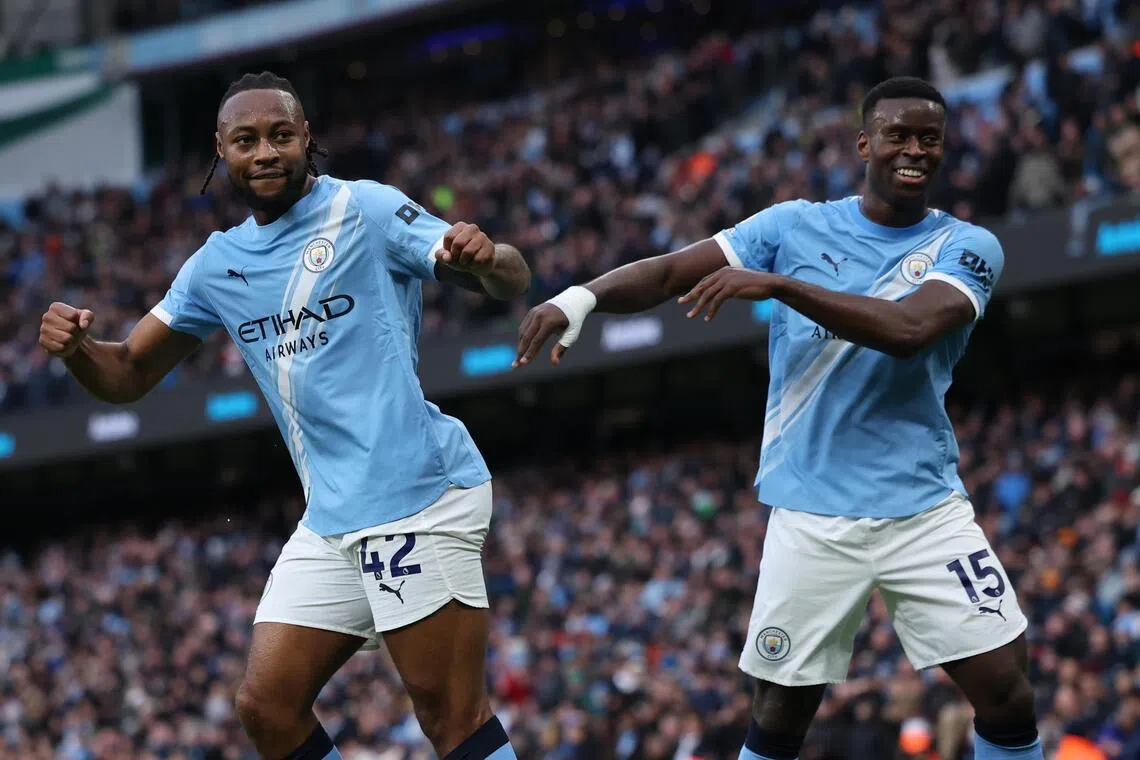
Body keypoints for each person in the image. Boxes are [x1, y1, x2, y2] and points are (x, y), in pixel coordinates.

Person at [515, 76, 1042, 760]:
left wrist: (781, 284)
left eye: (929, 138)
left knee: (1007, 692)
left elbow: (911, 328)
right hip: (811, 513)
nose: (914, 149)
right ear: (864, 144)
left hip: (922, 508)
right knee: (782, 715)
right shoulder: (794, 224)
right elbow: (674, 271)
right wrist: (581, 298)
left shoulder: (966, 246)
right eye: (897, 135)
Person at [39, 71, 530, 760]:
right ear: (222, 151)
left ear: (307, 139)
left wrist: (489, 258)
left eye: (280, 135)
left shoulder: (365, 210)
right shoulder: (216, 265)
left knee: (449, 716)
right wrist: (78, 350)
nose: (265, 151)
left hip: (416, 495)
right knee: (266, 708)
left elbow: (510, 277)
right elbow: (126, 375)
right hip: (331, 518)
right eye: (246, 140)